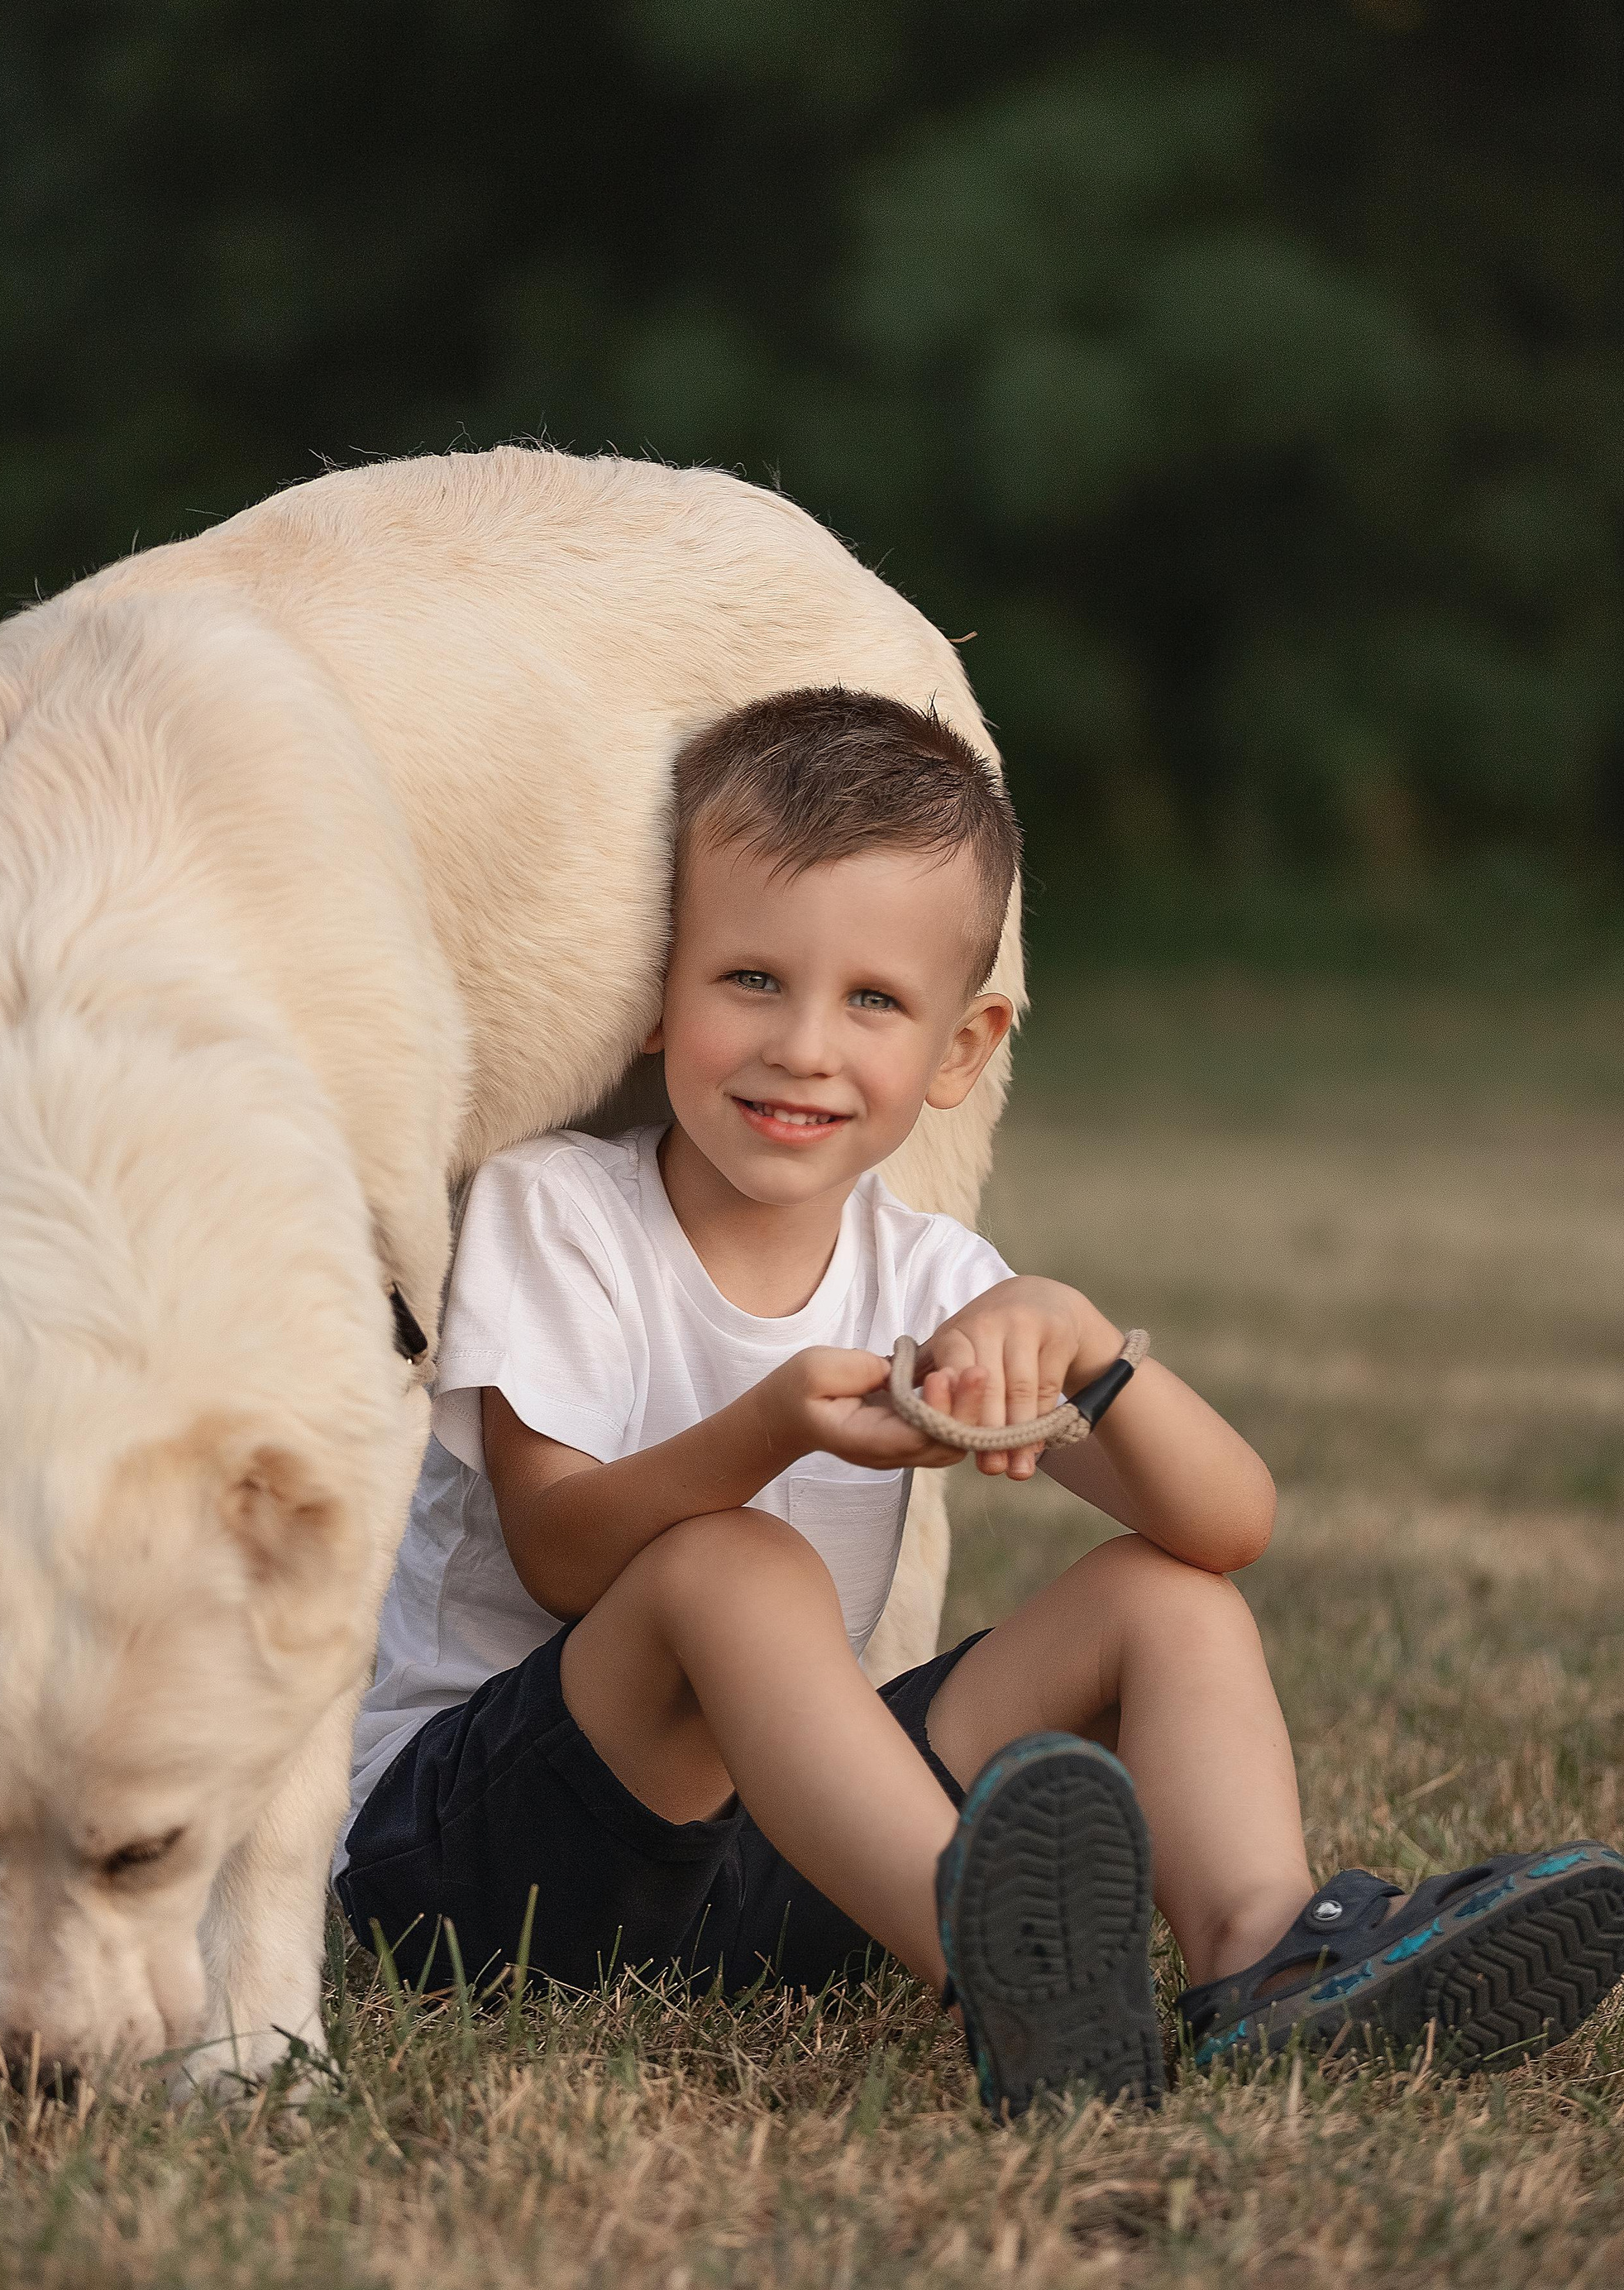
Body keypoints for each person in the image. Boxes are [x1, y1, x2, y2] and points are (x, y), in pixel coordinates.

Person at [333, 689, 1624, 2114]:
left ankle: (1267, 1961)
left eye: (874, 1000)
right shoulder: (559, 1209)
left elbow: (1227, 1527)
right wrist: (767, 1429)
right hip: (477, 1867)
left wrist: (1082, 1347)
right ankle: (995, 1958)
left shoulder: (930, 1275)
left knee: (1166, 1599)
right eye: (750, 979)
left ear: (961, 1048)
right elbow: (562, 1555)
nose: (804, 1045)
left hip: (780, 1865)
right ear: (653, 991)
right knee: (731, 1559)